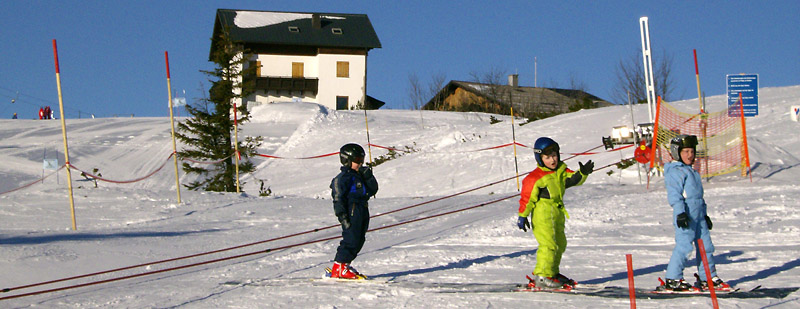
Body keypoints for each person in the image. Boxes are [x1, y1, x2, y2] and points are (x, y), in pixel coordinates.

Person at [656, 134, 731, 292]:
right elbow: (675, 195)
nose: (690, 155)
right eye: (686, 152)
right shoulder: (676, 171)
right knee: (684, 246)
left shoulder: (692, 171)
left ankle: (707, 277)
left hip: (699, 214)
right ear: (677, 153)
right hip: (686, 214)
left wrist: (704, 214)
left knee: (706, 246)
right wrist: (680, 213)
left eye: (692, 151)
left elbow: (698, 197)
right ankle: (673, 278)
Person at [517, 137, 593, 289]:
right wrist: (523, 216)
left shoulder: (560, 171)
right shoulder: (535, 177)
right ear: (540, 158)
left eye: (554, 156)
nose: (552, 160)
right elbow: (527, 198)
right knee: (548, 245)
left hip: (557, 213)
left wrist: (583, 172)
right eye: (547, 157)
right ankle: (542, 276)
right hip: (543, 216)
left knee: (560, 243)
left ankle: (552, 272)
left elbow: (573, 179)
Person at [329, 143, 378, 279]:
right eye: (357, 160)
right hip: (352, 209)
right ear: (347, 160)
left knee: (360, 239)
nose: (360, 163)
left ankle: (345, 265)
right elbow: (338, 198)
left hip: (362, 208)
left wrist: (369, 177)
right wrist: (342, 216)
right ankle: (339, 266)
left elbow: (372, 190)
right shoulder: (343, 178)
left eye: (362, 160)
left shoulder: (360, 175)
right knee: (351, 238)